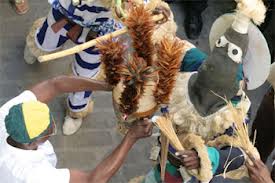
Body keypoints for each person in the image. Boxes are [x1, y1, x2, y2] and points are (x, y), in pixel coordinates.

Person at [0, 75, 153, 183]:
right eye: (49, 129)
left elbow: (55, 84)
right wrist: (131, 137)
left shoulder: (9, 114)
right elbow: (92, 180)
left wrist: (108, 86)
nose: (54, 125)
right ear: (31, 143)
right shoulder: (32, 175)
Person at [23, 0, 125, 136]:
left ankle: (76, 112)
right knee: (45, 41)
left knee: (86, 75)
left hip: (102, 30)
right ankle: (36, 45)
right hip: (66, 13)